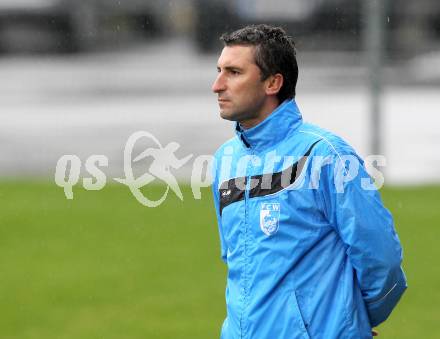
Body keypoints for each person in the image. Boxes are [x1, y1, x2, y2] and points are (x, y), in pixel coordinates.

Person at [210, 24, 406, 339]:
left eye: (233, 72)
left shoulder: (326, 155)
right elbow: (235, 262)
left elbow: (381, 259)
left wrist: (347, 321)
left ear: (273, 83)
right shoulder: (224, 161)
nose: (217, 85)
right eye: (219, 71)